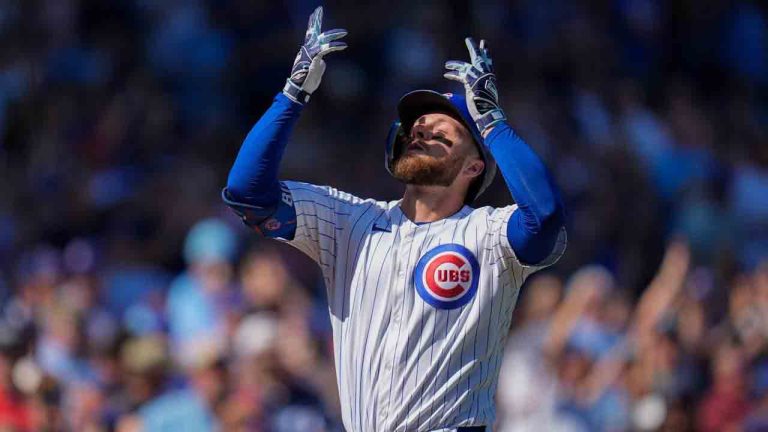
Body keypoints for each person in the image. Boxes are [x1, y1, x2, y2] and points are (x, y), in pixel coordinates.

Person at [222, 7, 566, 431]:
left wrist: (492, 123)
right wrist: (292, 95)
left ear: (473, 166)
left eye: (442, 131)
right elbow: (247, 193)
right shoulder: (347, 220)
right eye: (415, 128)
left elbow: (544, 216)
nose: (420, 128)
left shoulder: (489, 234)